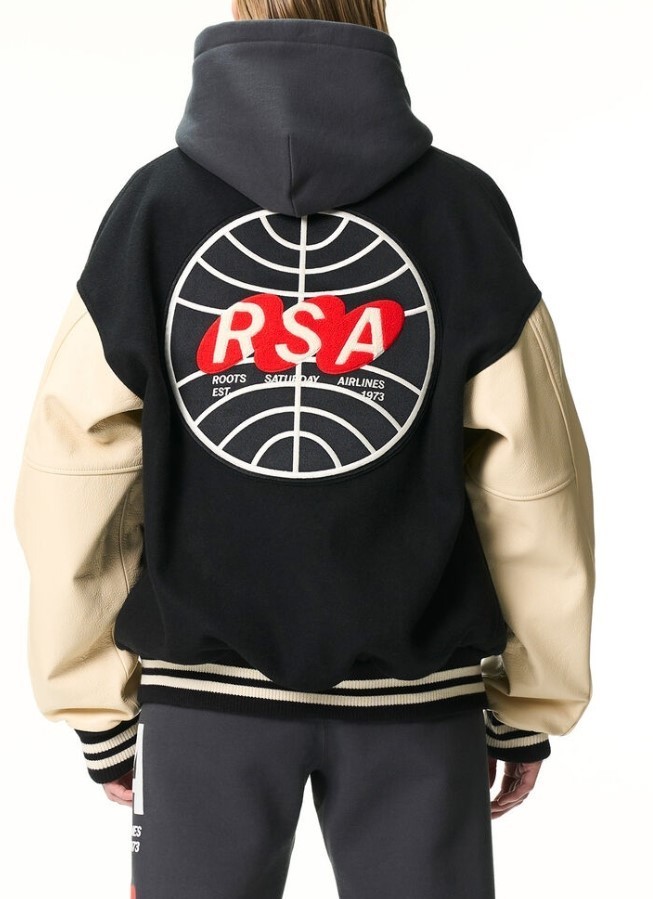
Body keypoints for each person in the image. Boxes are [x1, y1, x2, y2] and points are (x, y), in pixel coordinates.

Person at [13, 1, 595, 897]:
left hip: (201, 700)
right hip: (417, 700)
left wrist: (92, 702)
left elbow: (74, 471)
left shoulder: (154, 209)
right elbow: (531, 479)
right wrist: (530, 700)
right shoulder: (459, 210)